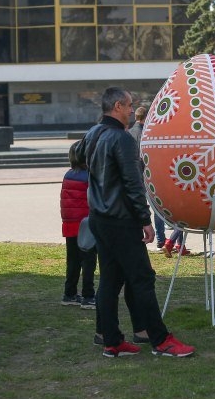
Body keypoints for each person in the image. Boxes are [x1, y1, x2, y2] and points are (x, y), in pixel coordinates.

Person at [78, 87, 195, 358]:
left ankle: (111, 341)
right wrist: (145, 219)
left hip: (99, 218)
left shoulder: (93, 133)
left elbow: (89, 167)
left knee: (110, 280)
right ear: (117, 106)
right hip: (121, 220)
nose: (132, 110)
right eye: (129, 105)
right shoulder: (122, 139)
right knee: (142, 278)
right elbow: (133, 183)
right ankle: (161, 340)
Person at [60, 141, 97, 309]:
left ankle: (69, 294)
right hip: (86, 225)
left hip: (69, 224)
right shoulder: (89, 176)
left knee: (73, 261)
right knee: (88, 262)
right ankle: (88, 296)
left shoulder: (68, 175)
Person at [129, 105, 166, 249]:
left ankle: (139, 236)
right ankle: (160, 239)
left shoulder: (129, 133)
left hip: (134, 176)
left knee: (138, 206)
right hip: (147, 175)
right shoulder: (146, 134)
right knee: (156, 208)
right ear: (146, 118)